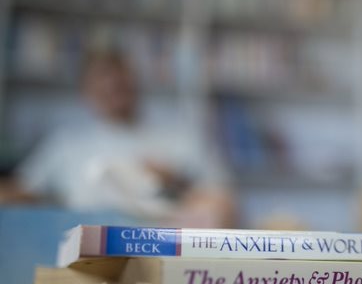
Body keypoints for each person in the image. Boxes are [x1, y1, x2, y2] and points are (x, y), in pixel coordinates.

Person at [0, 49, 236, 228]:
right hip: (85, 251)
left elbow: (224, 204)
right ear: (86, 92)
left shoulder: (180, 137)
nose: (112, 88)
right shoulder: (67, 143)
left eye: (119, 82)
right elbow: (23, 189)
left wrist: (177, 184)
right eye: (101, 83)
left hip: (160, 243)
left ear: (134, 82)